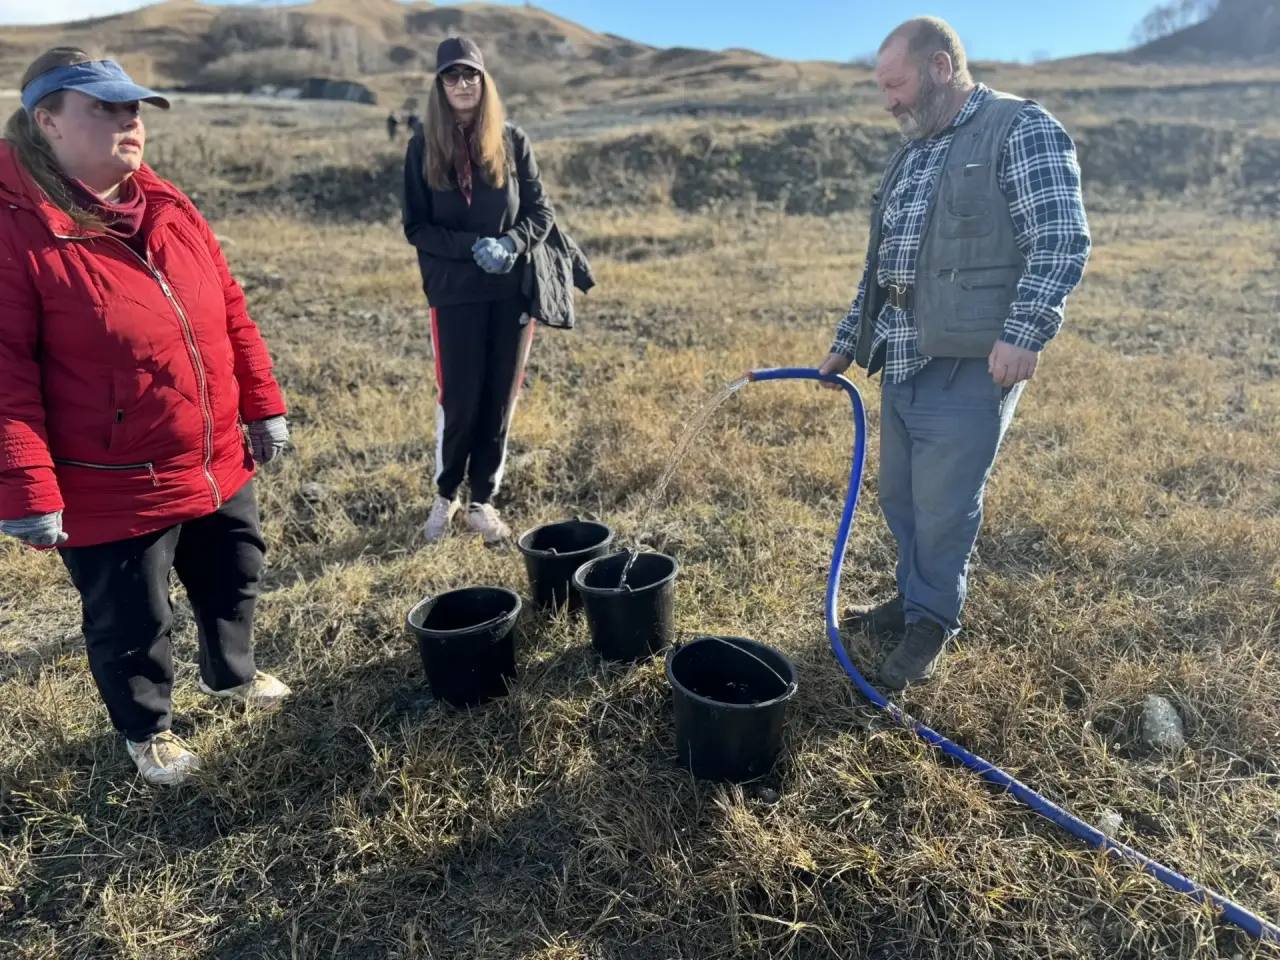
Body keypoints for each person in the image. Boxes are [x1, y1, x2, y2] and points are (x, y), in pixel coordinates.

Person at [0, 49, 292, 786]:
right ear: (47, 120)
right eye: (105, 107)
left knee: (234, 572)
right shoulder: (14, 228)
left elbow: (229, 310)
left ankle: (231, 676)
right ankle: (147, 729)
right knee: (132, 619)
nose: (129, 120)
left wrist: (262, 405)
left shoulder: (166, 201)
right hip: (109, 478)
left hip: (214, 450)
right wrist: (27, 490)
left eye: (134, 107)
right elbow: (4, 375)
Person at [818, 18, 1091, 690]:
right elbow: (882, 268)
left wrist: (1025, 332)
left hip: (972, 360)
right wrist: (847, 343)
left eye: (896, 84)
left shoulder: (1019, 127)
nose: (889, 102)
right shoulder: (910, 153)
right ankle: (914, 597)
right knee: (902, 498)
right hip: (904, 356)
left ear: (940, 67)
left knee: (944, 505)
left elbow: (1060, 237)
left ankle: (932, 621)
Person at [402, 37, 553, 545]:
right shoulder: (423, 145)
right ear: (439, 86)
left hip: (509, 292)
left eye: (471, 75)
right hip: (454, 293)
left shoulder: (512, 140)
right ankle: (445, 497)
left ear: (484, 82)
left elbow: (541, 214)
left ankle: (482, 502)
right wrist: (472, 247)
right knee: (459, 399)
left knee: (498, 399)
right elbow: (417, 226)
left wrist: (512, 242)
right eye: (452, 76)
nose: (462, 84)